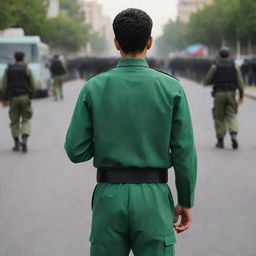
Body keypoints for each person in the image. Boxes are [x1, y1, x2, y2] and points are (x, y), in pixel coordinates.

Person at [65, 8, 197, 256]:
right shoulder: (171, 88)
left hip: (109, 196)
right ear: (150, 41)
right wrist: (186, 200)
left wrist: (106, 140)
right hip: (154, 199)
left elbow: (75, 150)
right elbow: (184, 152)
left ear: (116, 43)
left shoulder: (94, 87)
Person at [204, 47, 244, 149]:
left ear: (219, 55)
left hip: (219, 94)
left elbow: (206, 81)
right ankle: (233, 134)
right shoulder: (235, 66)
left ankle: (220, 141)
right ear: (229, 55)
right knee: (231, 114)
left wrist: (215, 80)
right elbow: (240, 83)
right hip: (231, 93)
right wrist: (241, 96)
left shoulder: (215, 67)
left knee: (219, 116)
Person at [2, 51, 35, 152]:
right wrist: (31, 96)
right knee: (26, 118)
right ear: (23, 58)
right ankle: (24, 138)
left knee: (14, 120)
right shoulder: (27, 69)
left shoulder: (8, 69)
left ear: (14, 58)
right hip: (25, 97)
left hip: (13, 98)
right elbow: (33, 84)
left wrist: (3, 99)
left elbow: (3, 85)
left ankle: (16, 143)